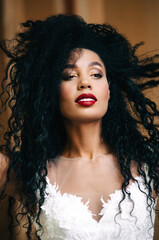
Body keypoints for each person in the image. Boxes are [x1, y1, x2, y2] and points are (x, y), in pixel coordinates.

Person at [0, 13, 159, 240]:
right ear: (51, 92)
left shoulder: (149, 163)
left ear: (109, 89)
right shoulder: (27, 171)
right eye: (69, 75)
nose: (85, 82)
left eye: (96, 74)